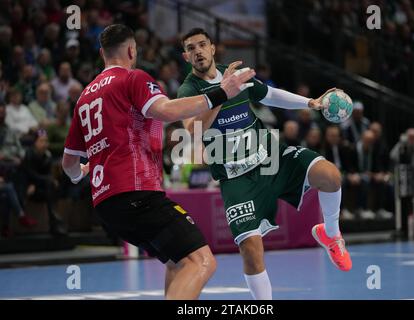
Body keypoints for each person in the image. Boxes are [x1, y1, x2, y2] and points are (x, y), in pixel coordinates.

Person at [61, 24, 255, 300]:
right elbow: (165, 111)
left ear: (102, 53)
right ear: (132, 50)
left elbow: (69, 163)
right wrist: (221, 92)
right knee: (202, 262)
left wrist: (79, 173)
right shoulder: (133, 78)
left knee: (178, 262)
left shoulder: (83, 98)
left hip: (106, 205)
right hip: (137, 193)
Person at [178, 28, 352, 300]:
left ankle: (331, 235)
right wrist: (222, 93)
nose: (197, 51)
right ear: (186, 56)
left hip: (271, 158)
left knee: (330, 176)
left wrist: (311, 102)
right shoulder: (189, 89)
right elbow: (193, 130)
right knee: (251, 250)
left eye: (202, 45)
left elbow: (270, 95)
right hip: (236, 178)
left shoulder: (236, 75)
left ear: (212, 48)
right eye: (191, 48)